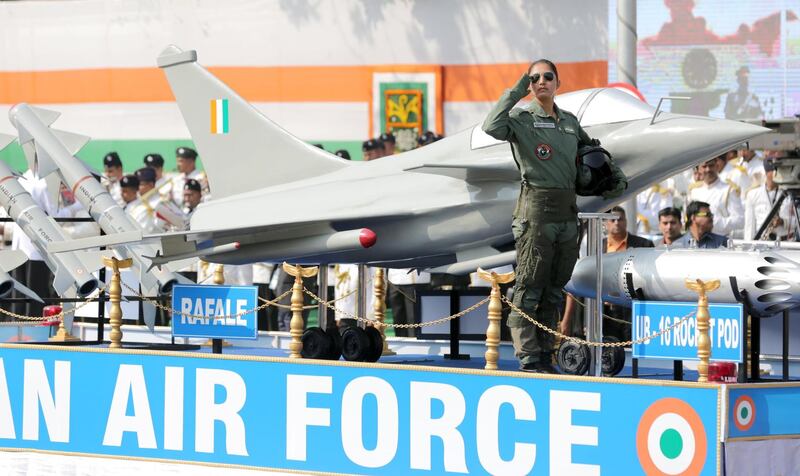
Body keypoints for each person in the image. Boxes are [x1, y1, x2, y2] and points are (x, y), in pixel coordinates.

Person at [482, 59, 627, 373]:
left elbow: (593, 150)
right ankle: (529, 357)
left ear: (557, 82)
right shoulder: (521, 118)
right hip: (535, 213)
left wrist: (615, 179)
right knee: (529, 286)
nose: (542, 81)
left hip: (566, 213)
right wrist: (518, 90)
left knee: (554, 288)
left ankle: (546, 354)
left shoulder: (569, 122)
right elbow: (491, 125)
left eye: (548, 76)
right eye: (535, 78)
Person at [688, 157, 743, 238]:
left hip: (721, 241)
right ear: (699, 169)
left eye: (711, 166)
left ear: (717, 166)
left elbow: (740, 220)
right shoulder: (694, 191)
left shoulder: (728, 190)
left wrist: (712, 221)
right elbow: (687, 218)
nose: (708, 169)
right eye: (704, 166)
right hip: (698, 240)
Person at [744, 158, 793, 240]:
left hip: (786, 243)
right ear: (767, 172)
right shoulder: (753, 195)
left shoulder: (790, 193)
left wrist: (783, 222)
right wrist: (748, 247)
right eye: (774, 170)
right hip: (763, 243)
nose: (777, 173)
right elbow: (749, 226)